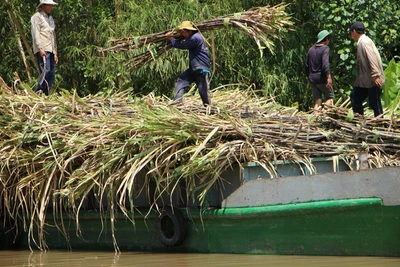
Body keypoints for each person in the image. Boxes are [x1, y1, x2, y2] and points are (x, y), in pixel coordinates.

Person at [166, 21, 211, 106]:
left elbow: (183, 45)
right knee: (180, 80)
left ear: (189, 31)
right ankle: (178, 102)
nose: (182, 34)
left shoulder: (195, 38)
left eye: (183, 32)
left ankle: (208, 108)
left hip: (201, 68)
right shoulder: (194, 37)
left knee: (203, 90)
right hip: (194, 68)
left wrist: (171, 39)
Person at [349, 21, 385, 117]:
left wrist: (375, 75)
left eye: (351, 32)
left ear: (354, 31)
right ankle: (359, 120)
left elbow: (372, 58)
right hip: (364, 80)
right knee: (355, 97)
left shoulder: (364, 42)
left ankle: (380, 123)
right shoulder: (362, 42)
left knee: (374, 102)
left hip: (372, 79)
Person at [31, 0, 59, 96]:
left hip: (50, 48)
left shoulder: (50, 19)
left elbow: (53, 36)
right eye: (49, 5)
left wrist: (55, 52)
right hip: (43, 48)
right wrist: (40, 48)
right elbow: (36, 34)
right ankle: (39, 90)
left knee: (51, 72)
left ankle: (46, 92)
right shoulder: (37, 17)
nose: (51, 7)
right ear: (43, 6)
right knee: (45, 70)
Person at [305, 29, 334, 114]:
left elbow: (306, 66)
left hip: (312, 78)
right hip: (321, 78)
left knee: (318, 100)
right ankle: (324, 116)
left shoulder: (311, 49)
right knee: (330, 97)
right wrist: (329, 77)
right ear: (326, 39)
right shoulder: (325, 48)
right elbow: (325, 64)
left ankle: (314, 118)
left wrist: (309, 78)